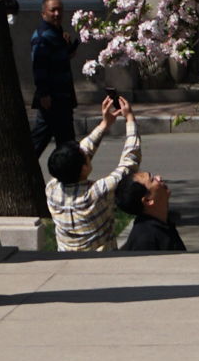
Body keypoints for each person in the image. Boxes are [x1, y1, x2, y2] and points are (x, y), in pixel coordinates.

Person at [46, 96, 142, 254]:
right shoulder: (99, 193)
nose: (86, 151)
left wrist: (105, 124)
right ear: (83, 169)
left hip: (66, 263)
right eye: (84, 156)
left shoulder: (52, 189)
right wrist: (130, 119)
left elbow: (80, 153)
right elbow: (130, 162)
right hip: (102, 265)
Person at [30, 0, 80, 160]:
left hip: (62, 96)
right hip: (52, 97)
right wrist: (43, 93)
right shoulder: (43, 37)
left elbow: (55, 60)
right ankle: (19, 165)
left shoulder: (57, 34)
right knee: (64, 142)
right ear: (43, 13)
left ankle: (67, 173)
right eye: (52, 10)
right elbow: (39, 67)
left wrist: (67, 53)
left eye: (59, 10)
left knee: (62, 140)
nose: (57, 13)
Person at [115, 168, 187, 253]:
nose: (159, 177)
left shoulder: (164, 225)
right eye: (153, 180)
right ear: (148, 200)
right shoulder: (145, 242)